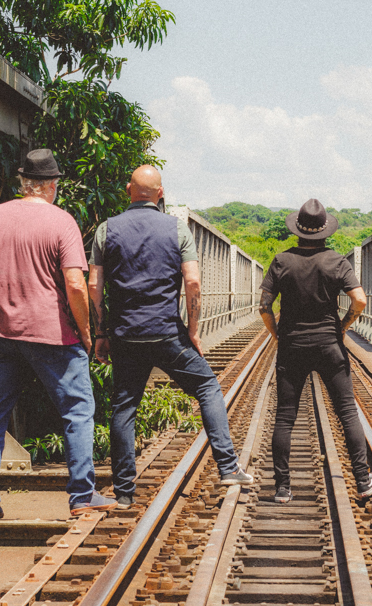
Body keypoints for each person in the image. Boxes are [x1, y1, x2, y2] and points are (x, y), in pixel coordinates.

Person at [88, 165, 253, 510]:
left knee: (124, 405)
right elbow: (192, 282)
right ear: (160, 194)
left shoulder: (106, 229)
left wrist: (101, 332)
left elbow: (93, 285)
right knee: (207, 387)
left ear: (128, 189)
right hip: (166, 333)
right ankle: (227, 467)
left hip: (125, 334)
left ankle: (123, 492)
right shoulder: (178, 228)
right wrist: (192, 330)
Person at [0, 149, 115, 522]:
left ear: (23, 183)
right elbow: (76, 286)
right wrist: (85, 331)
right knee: (78, 413)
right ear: (51, 186)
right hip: (52, 335)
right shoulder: (61, 221)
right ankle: (81, 496)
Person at [259, 198, 372, 504]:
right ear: (325, 231)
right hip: (329, 346)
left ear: (297, 230)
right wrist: (343, 326)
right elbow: (360, 300)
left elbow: (263, 308)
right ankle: (363, 481)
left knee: (285, 417)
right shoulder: (337, 262)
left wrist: (277, 335)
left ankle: (283, 488)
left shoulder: (281, 261)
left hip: (292, 346)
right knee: (347, 411)